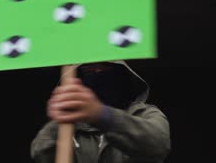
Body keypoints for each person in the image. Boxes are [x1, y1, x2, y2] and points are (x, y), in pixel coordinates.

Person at [30, 60, 171, 163]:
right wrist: (58, 121)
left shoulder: (143, 114)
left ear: (122, 77)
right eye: (89, 72)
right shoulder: (68, 125)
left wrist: (101, 115)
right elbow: (40, 154)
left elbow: (158, 144)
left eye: (105, 70)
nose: (98, 77)